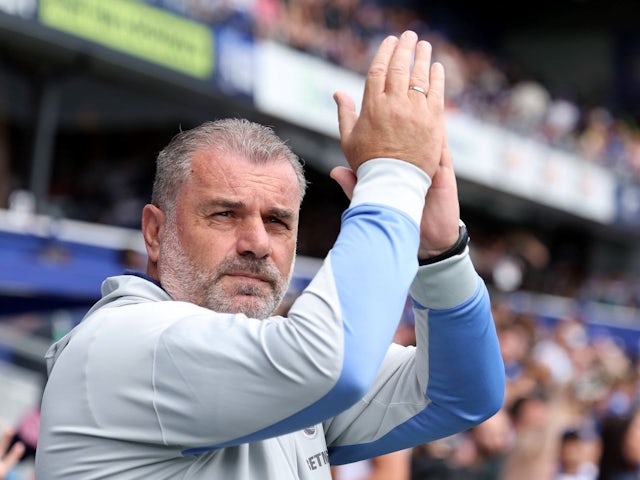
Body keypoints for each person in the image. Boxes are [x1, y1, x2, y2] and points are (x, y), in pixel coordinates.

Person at [34, 30, 505, 479]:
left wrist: (439, 253)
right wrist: (394, 177)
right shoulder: (125, 340)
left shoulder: (278, 358)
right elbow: (333, 365)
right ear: (155, 233)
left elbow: (462, 394)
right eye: (224, 214)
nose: (257, 243)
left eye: (278, 221)